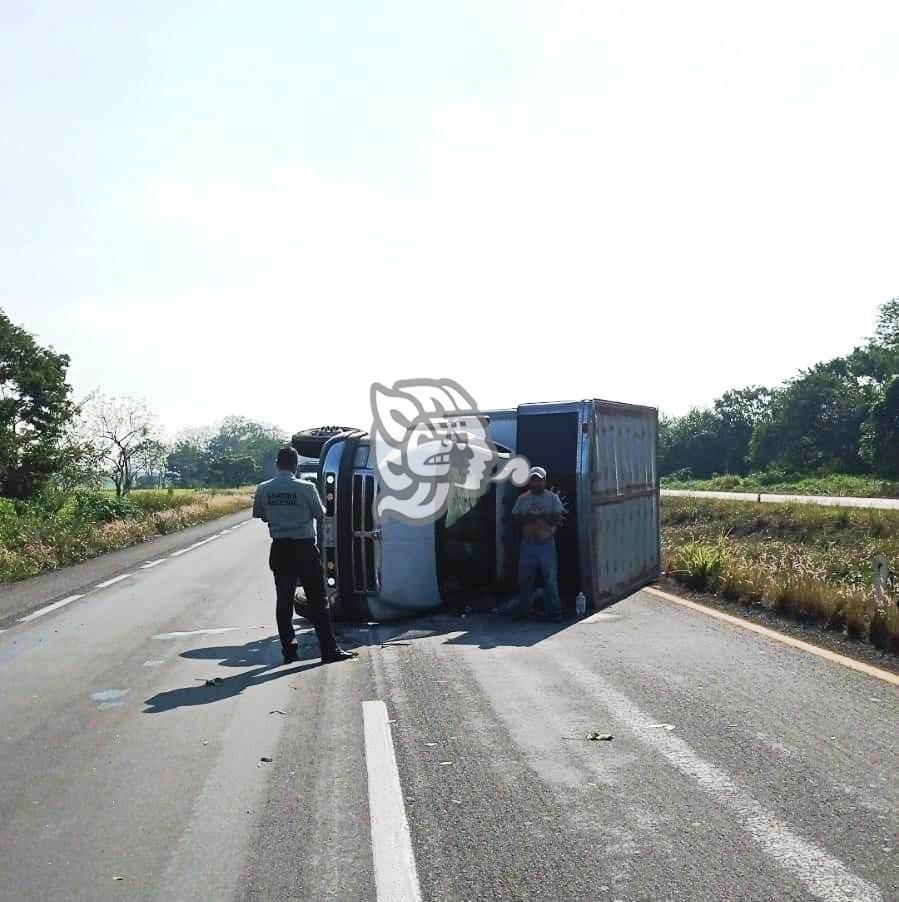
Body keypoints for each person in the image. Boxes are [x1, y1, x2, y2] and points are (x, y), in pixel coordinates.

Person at [253, 447, 357, 664]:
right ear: (296, 465)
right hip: (305, 549)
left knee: (284, 600)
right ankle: (329, 650)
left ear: (277, 464)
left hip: (280, 549)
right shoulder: (306, 487)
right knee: (318, 601)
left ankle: (289, 650)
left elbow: (260, 515)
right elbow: (320, 513)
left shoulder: (263, 489)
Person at [512, 465, 564, 622]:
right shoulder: (523, 499)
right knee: (525, 579)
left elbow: (558, 521)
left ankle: (555, 613)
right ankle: (524, 612)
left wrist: (542, 515)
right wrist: (528, 516)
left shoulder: (552, 498)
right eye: (533, 480)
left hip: (546, 545)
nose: (536, 483)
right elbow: (515, 520)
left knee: (550, 580)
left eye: (539, 480)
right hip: (527, 545)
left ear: (544, 481)